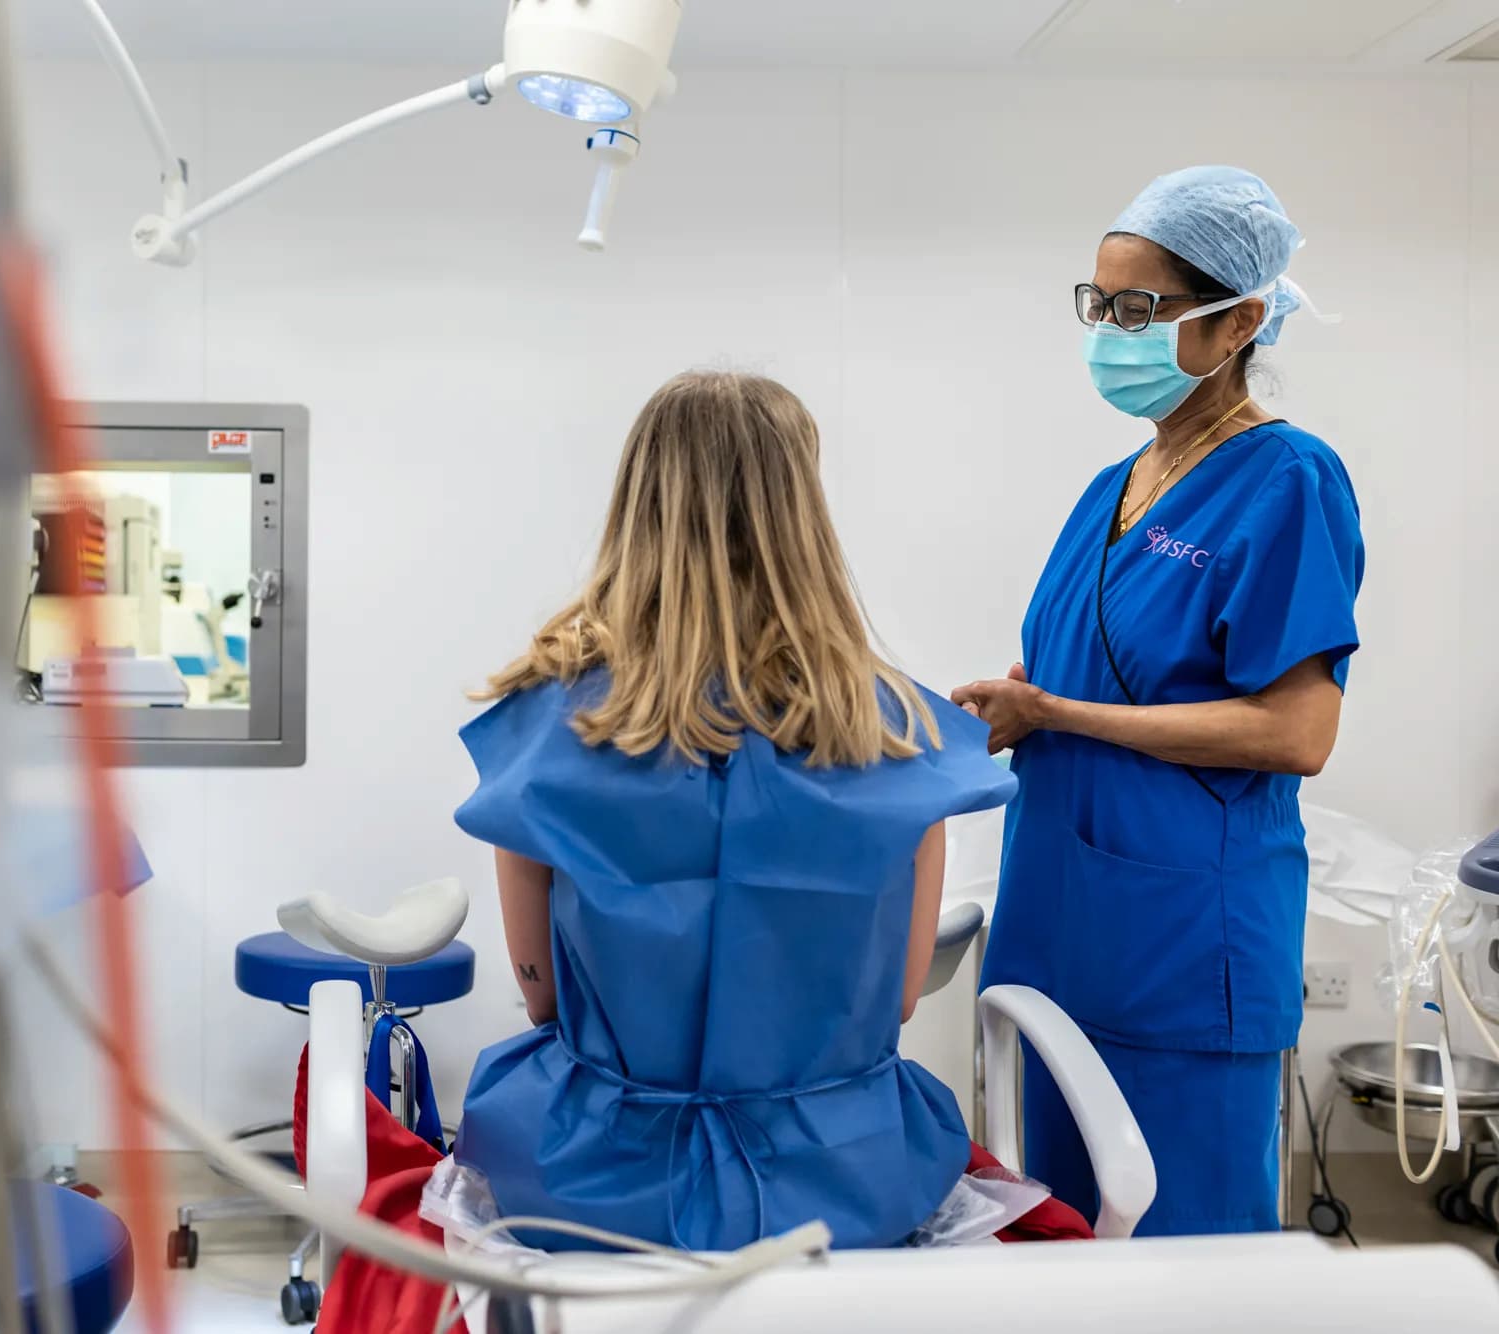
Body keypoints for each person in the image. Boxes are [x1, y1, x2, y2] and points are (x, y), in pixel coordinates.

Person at [446, 369, 1019, 1253]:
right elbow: (903, 997)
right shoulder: (890, 735)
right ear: (803, 516)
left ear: (640, 507)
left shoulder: (550, 726)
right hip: (844, 1184)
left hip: (596, 1183)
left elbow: (540, 999)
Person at [952, 166, 1365, 1236]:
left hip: (1179, 942)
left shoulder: (1286, 479)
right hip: (1057, 923)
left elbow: (1295, 729)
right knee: (1062, 1236)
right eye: (1097, 304)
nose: (1108, 331)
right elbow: (1067, 667)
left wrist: (1057, 717)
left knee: (1180, 1257)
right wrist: (996, 709)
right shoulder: (1113, 486)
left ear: (1238, 321)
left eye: (1138, 309)